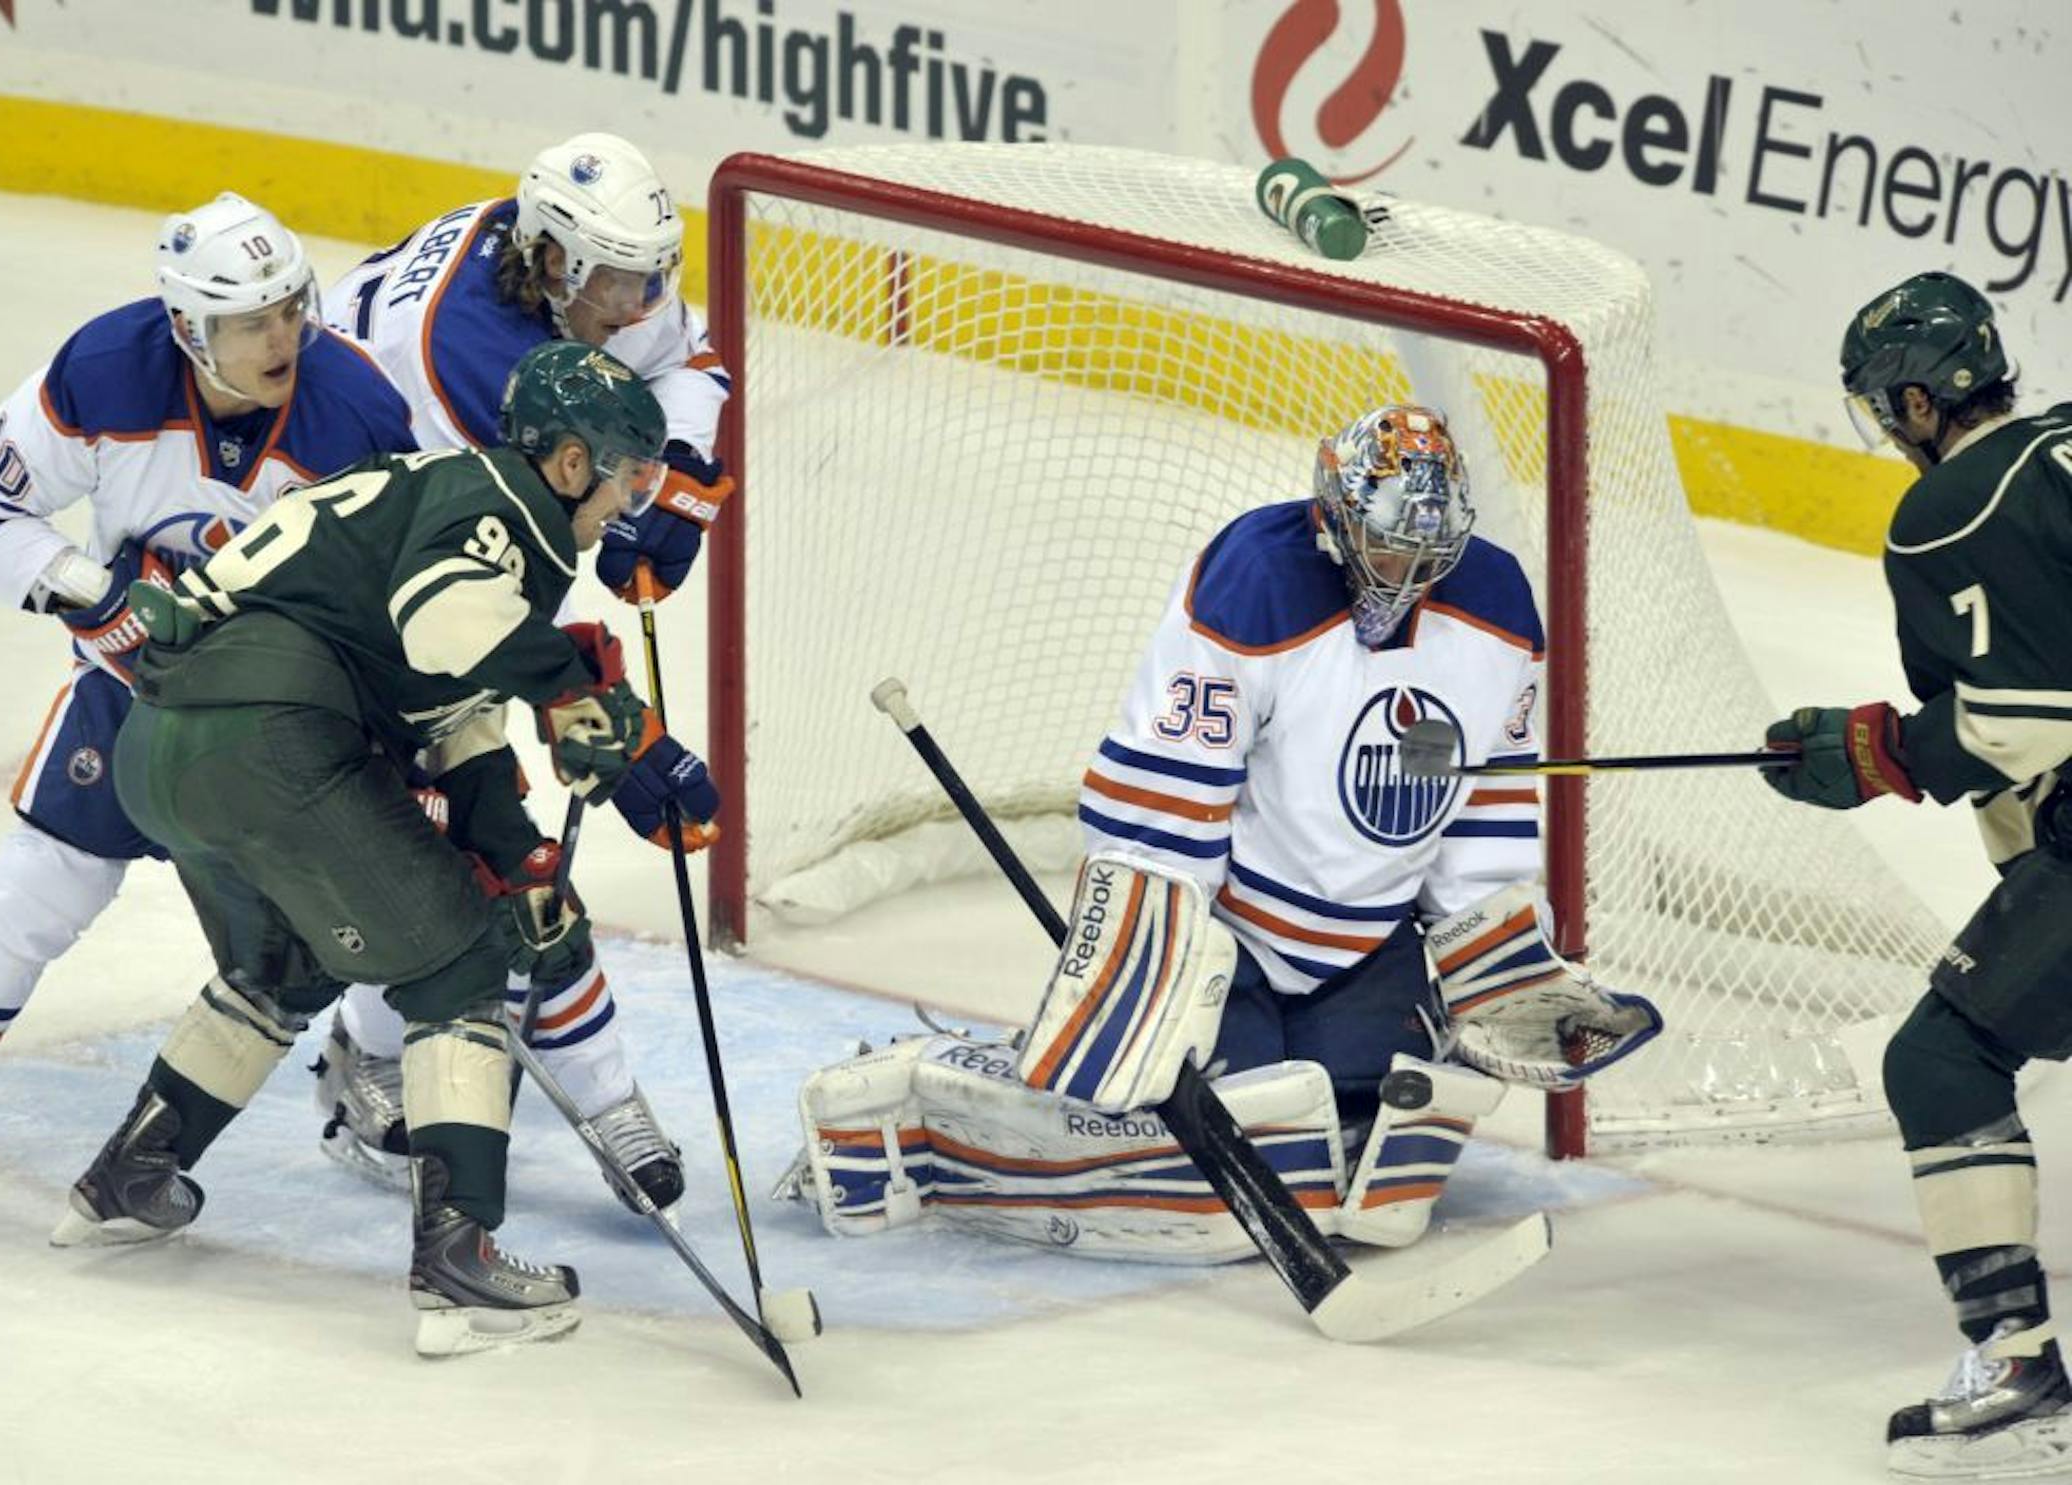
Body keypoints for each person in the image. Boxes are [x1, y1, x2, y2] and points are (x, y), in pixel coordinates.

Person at [783, 406, 1659, 1265]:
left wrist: (1493, 950)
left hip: (1365, 941)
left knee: (1374, 1116)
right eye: (1387, 547)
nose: (1406, 575)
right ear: (1337, 513)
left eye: (1429, 556)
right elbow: (1173, 785)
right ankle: (944, 1104)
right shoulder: (1257, 578)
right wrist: (1147, 953)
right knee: (1176, 1118)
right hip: (1231, 939)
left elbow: (1482, 790)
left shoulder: (1497, 608)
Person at [51, 341, 721, 1357]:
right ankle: (459, 1262)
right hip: (270, 732)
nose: (628, 502)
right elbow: (443, 624)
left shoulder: (437, 492)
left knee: (283, 964)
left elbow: (451, 714)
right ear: (570, 462)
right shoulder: (511, 516)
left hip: (166, 745)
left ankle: (129, 1178)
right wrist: (590, 697)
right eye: (625, 475)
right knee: (459, 963)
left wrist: (519, 860)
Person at [0, 193, 416, 1170]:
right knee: (31, 897)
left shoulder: (355, 410)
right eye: (252, 321)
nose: (284, 337)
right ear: (190, 327)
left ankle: (374, 1064)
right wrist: (93, 595)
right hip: (133, 695)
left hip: (289, 721)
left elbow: (399, 596)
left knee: (376, 890)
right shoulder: (107, 372)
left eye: (291, 307)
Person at [307, 132, 734, 1211]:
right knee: (430, 842)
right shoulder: (463, 362)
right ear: (551, 263)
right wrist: (612, 729)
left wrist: (675, 480)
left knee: (497, 853)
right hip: (349, 576)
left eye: (650, 279)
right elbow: (485, 587)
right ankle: (364, 1054)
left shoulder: (576, 277)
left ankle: (584, 1085)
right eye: (618, 285)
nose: (637, 307)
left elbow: (690, 363)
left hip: (427, 555)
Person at [1757, 271, 2072, 1476]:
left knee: (1942, 1059)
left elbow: (2027, 714)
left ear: (1920, 401)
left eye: (1889, 407)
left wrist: (1881, 750)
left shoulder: (1951, 508)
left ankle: (2017, 1371)